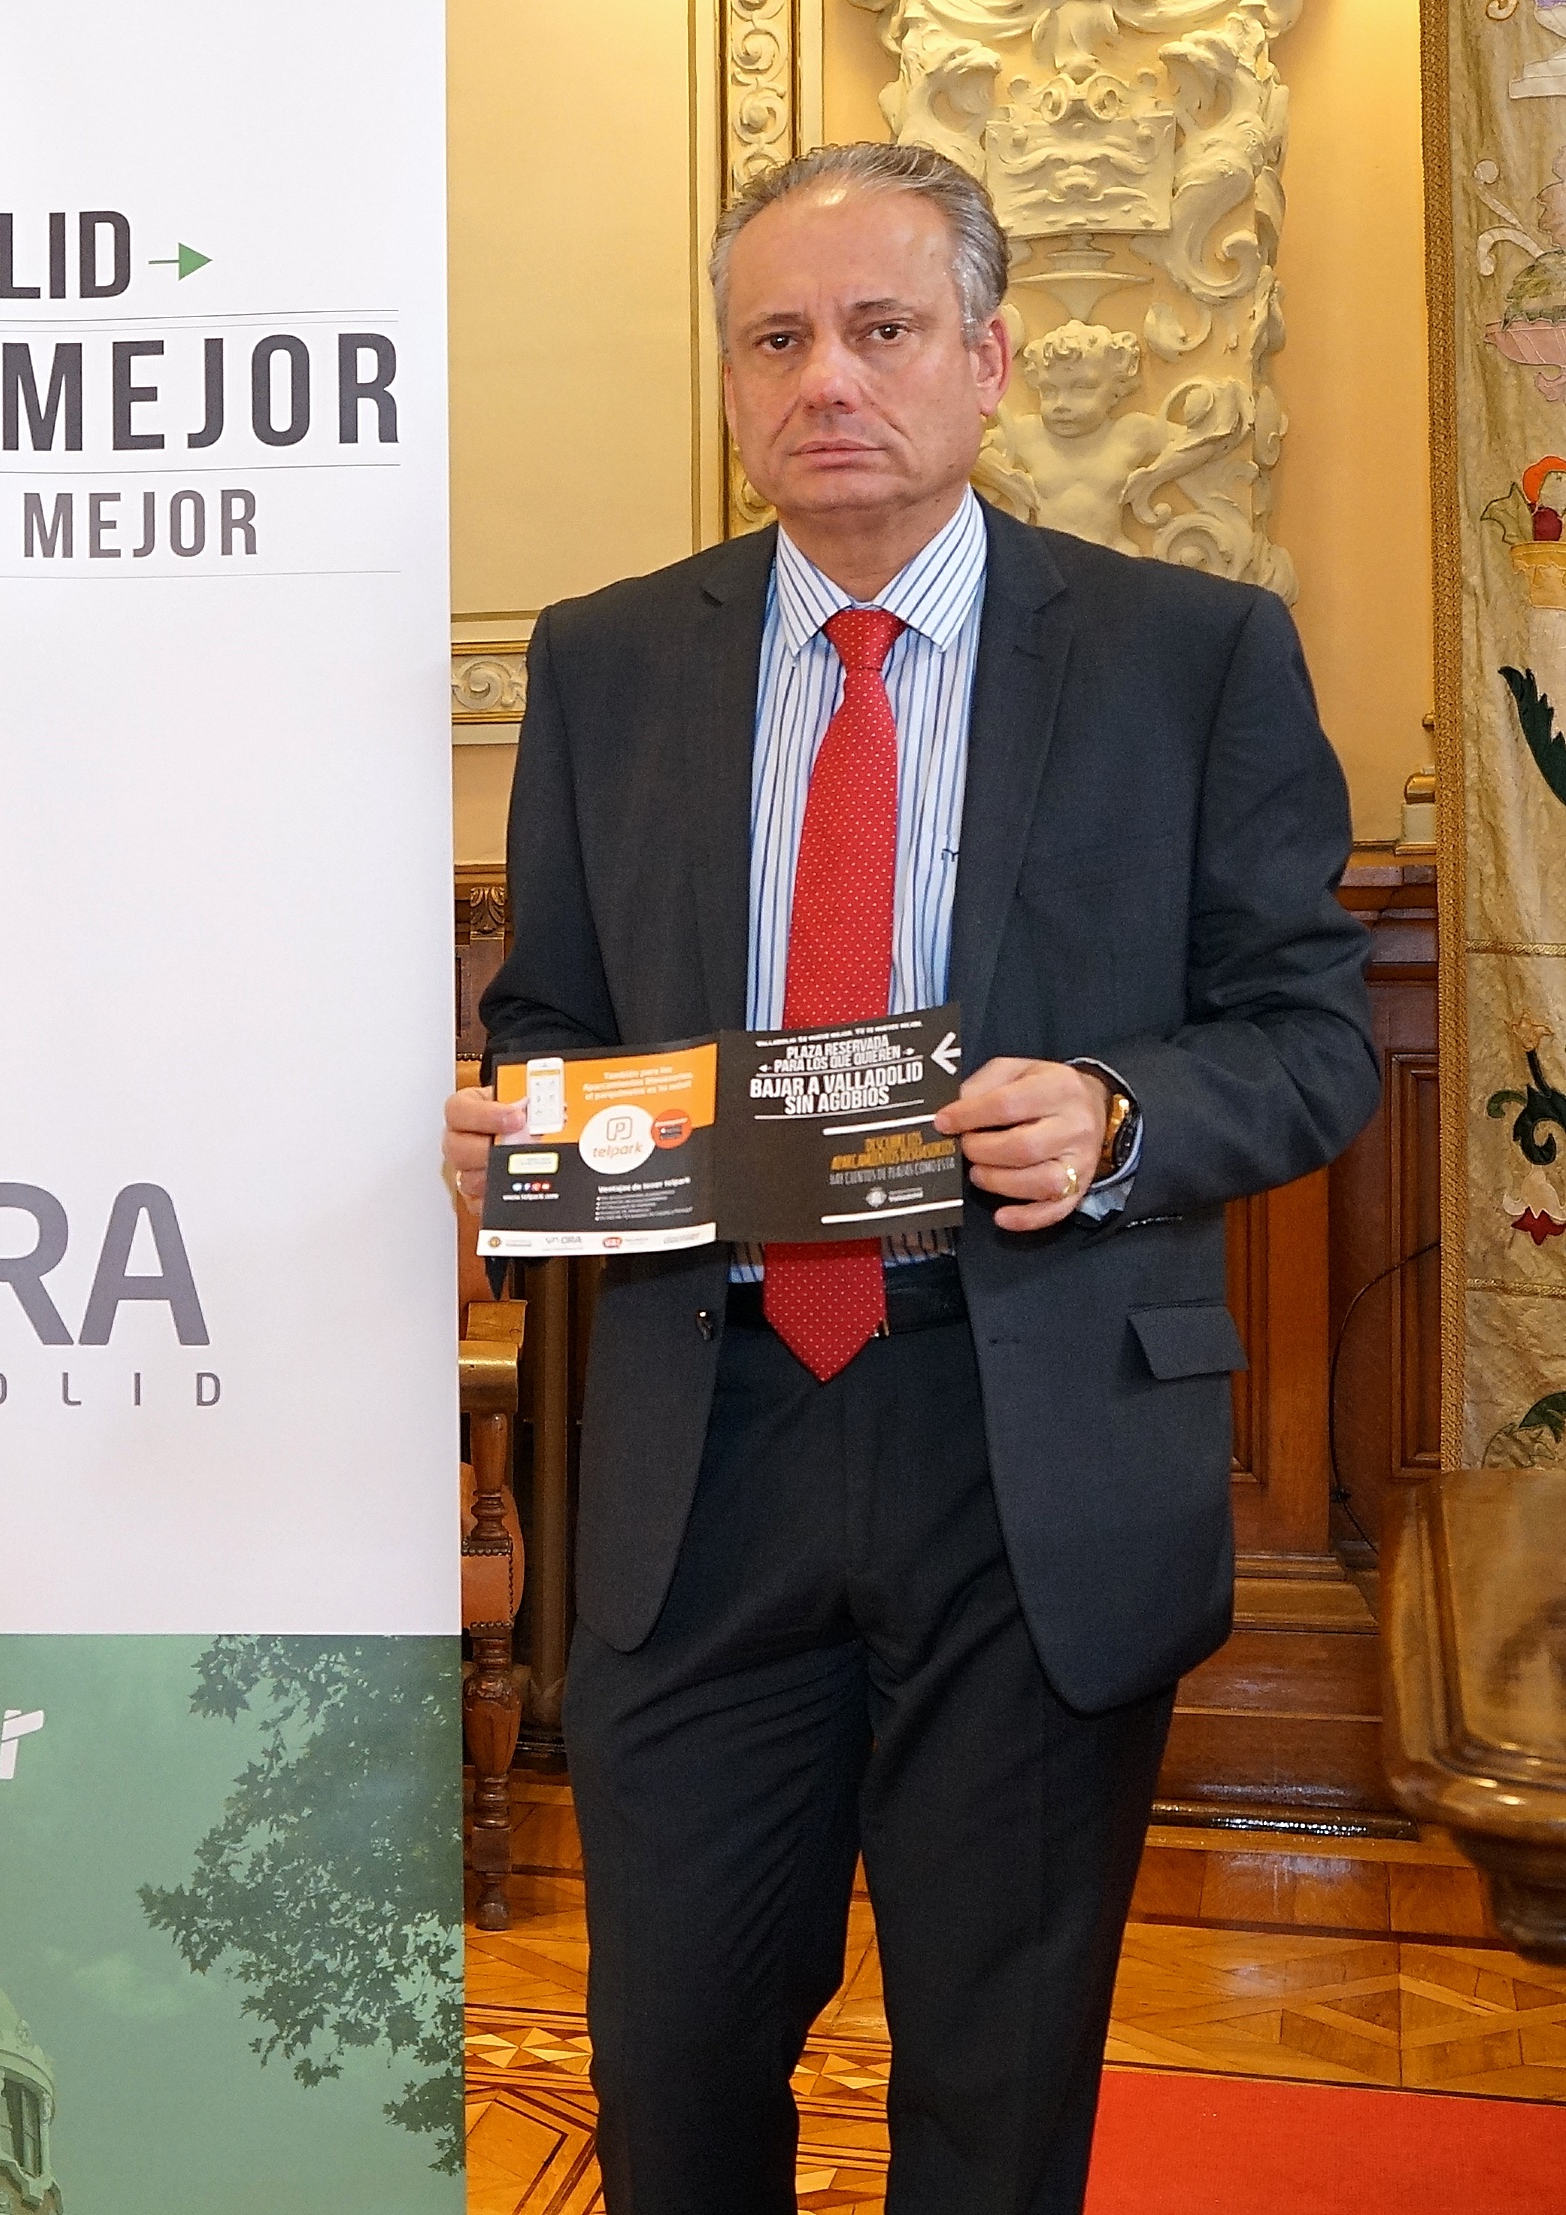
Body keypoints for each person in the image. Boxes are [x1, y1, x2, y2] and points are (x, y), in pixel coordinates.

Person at [442, 144, 1374, 2213]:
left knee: (992, 2089)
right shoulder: (610, 664)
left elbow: (1310, 1040)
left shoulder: (1187, 654)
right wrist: (515, 1122)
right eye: (773, 339)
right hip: (705, 1448)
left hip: (1027, 1449)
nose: (825, 380)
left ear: (987, 358)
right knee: (671, 2064)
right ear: (725, 380)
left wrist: (1116, 1116)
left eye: (879, 329)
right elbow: (556, 1019)